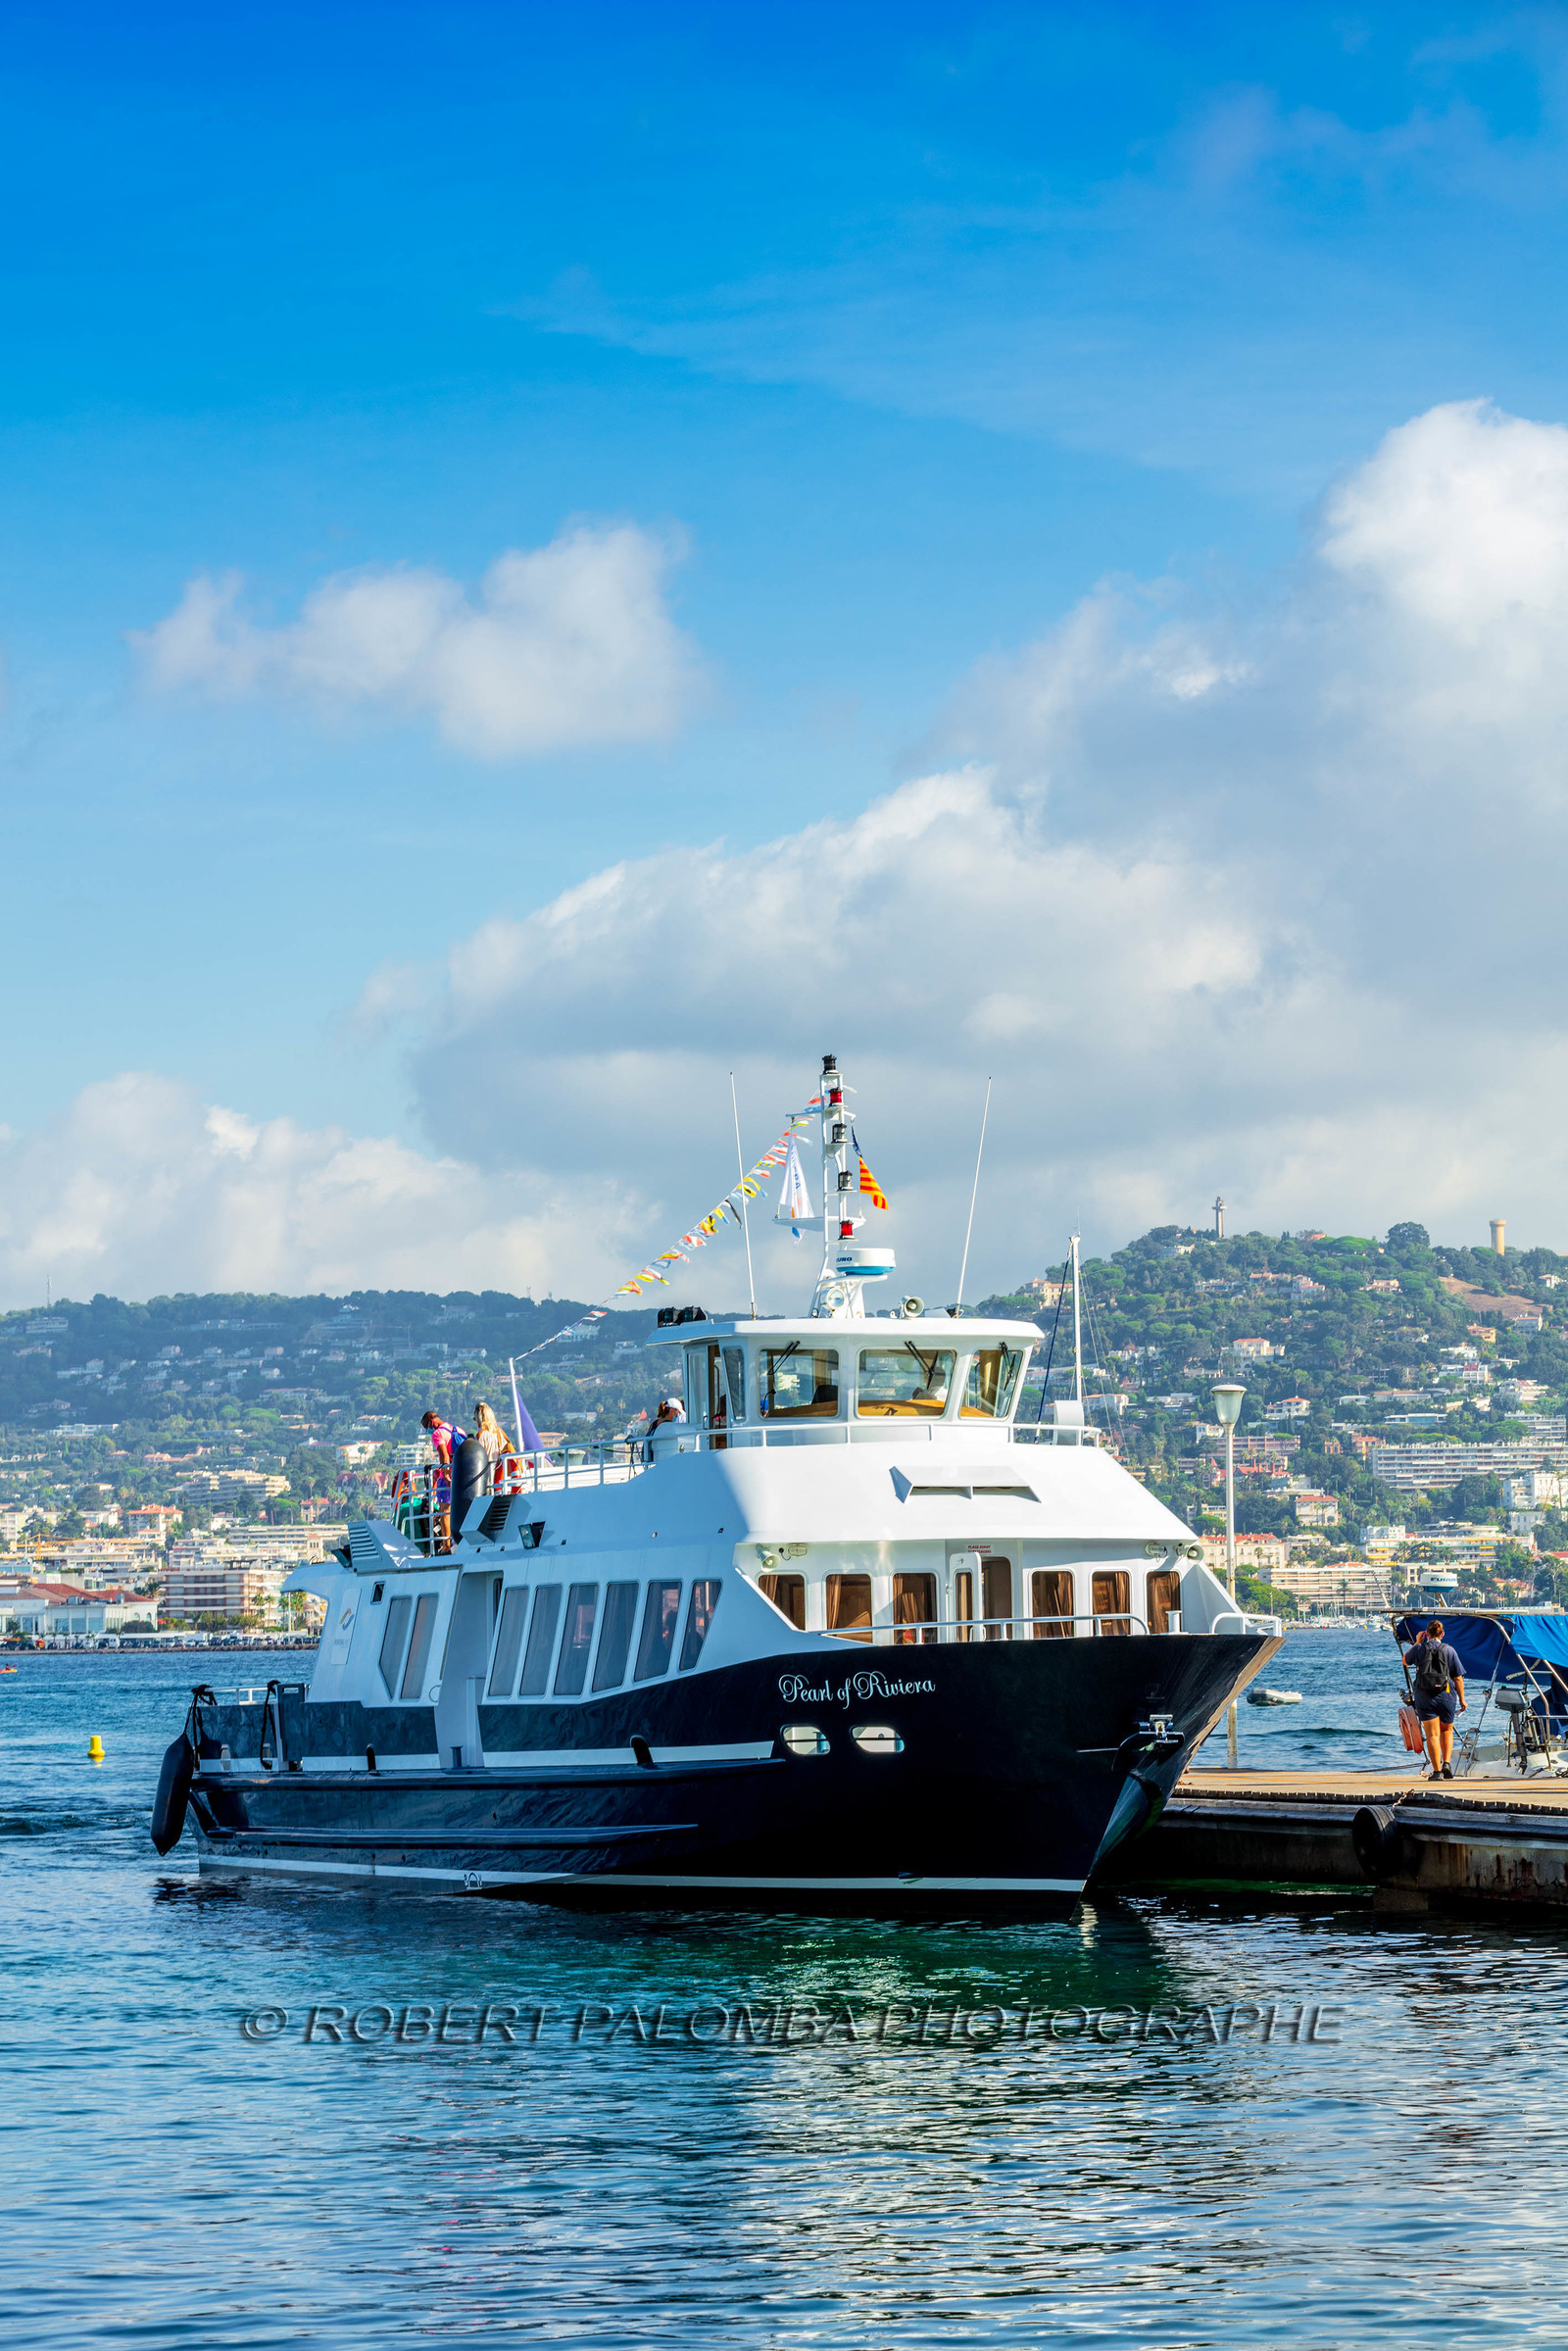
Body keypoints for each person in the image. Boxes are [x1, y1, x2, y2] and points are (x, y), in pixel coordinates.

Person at [1405, 1618, 1466, 1780]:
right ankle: (1446, 1763)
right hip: (1447, 1695)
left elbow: (1405, 1661)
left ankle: (1437, 1772)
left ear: (1426, 1634)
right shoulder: (1450, 1651)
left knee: (1432, 1734)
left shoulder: (1419, 1648)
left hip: (1425, 1696)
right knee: (1446, 1730)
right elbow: (1458, 1678)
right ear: (1442, 1634)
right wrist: (1462, 1700)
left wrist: (1417, 1642)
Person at [420, 1409, 467, 1548]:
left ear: (431, 1420)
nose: (427, 1429)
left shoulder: (437, 1433)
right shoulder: (457, 1429)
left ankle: (446, 1545)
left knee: (444, 1511)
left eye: (426, 1426)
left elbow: (443, 1454)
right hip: (462, 1472)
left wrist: (445, 1474)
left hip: (448, 1474)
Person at [472, 1400, 515, 1479]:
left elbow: (478, 1457)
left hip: (486, 1474)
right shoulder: (499, 1432)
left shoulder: (481, 1435)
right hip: (500, 1473)